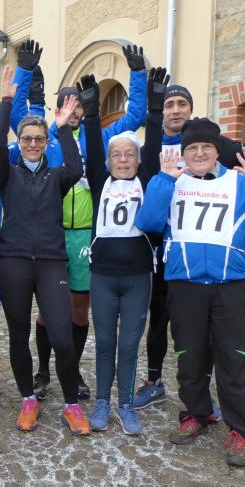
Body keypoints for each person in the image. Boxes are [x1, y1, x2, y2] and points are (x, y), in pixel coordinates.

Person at [133, 73, 245, 411]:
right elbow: (148, 210)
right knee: (169, 329)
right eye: (169, 104)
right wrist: (150, 108)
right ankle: (160, 386)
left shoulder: (218, 149)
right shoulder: (154, 149)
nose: (175, 109)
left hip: (220, 273)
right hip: (170, 258)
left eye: (182, 104)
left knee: (218, 343)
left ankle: (223, 408)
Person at [135, 118, 245, 466]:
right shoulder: (173, 181)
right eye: (192, 147)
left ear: (217, 151)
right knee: (189, 356)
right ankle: (197, 412)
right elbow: (147, 222)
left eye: (207, 147)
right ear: (184, 152)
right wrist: (162, 180)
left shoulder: (240, 181)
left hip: (230, 286)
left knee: (235, 360)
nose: (200, 153)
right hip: (185, 285)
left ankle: (244, 430)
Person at [9, 42, 149, 401]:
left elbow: (134, 116)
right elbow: (17, 118)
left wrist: (137, 74)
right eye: (65, 104)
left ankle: (71, 371)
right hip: (52, 237)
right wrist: (24, 72)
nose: (72, 109)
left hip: (86, 236)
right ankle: (43, 371)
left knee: (78, 310)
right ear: (58, 109)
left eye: (78, 104)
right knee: (47, 311)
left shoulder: (98, 137)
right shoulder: (46, 138)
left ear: (84, 107)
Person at [0, 66, 89, 434]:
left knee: (62, 336)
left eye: (39, 138)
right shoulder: (7, 173)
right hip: (14, 261)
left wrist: (62, 127)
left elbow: (76, 166)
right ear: (20, 141)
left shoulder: (56, 176)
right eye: (27, 138)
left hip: (50, 262)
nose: (32, 144)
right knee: (18, 336)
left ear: (46, 142)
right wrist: (6, 101)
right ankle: (28, 399)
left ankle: (71, 404)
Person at [79, 68, 167, 434]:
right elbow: (93, 145)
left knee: (129, 344)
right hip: (103, 276)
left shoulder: (146, 179)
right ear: (109, 160)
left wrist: (155, 110)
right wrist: (91, 112)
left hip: (137, 277)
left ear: (138, 159)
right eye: (117, 155)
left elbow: (155, 145)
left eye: (130, 154)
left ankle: (126, 404)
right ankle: (102, 402)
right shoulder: (101, 181)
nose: (124, 159)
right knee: (105, 343)